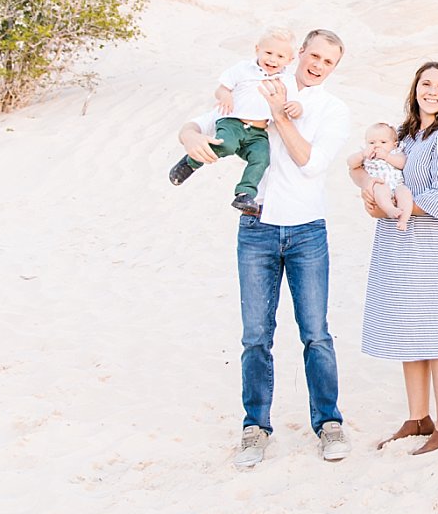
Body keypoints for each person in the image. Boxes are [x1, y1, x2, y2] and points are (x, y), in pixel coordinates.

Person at [175, 26, 350, 471]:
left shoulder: (332, 110)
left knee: (316, 333)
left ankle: (328, 423)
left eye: (328, 62)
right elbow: (203, 120)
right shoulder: (263, 84)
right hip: (256, 229)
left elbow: (309, 163)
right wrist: (190, 138)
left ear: (334, 67)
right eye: (313, 56)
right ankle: (255, 428)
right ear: (300, 55)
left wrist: (281, 115)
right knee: (256, 336)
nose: (317, 65)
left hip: (307, 231)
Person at [352, 59, 438, 453]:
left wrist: (395, 208)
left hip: (430, 242)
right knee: (407, 325)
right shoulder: (403, 134)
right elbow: (367, 167)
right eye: (426, 83)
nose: (432, 91)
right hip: (396, 241)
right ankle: (418, 417)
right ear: (415, 87)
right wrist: (370, 190)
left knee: (435, 328)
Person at [167, 26, 301, 217]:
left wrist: (297, 107)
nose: (272, 59)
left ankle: (245, 194)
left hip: (258, 132)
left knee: (262, 158)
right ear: (257, 49)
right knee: (225, 146)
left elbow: (293, 102)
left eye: (280, 56)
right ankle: (190, 163)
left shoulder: (287, 80)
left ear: (290, 59)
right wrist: (225, 96)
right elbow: (221, 89)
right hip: (233, 123)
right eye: (268, 52)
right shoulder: (243, 69)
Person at [353, 121, 414, 231]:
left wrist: (387, 157)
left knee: (405, 193)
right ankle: (390, 209)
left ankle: (403, 220)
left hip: (397, 185)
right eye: (371, 142)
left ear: (394, 144)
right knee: (381, 190)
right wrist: (362, 155)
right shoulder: (367, 156)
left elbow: (403, 163)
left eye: (383, 142)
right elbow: (351, 163)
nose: (377, 146)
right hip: (380, 183)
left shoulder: (395, 153)